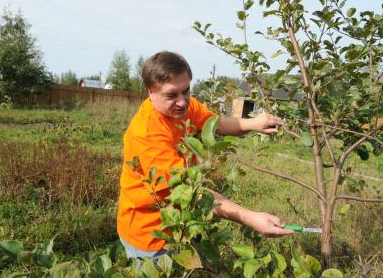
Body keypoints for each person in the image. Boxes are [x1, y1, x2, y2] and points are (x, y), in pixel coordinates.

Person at [117, 51, 293, 260]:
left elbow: (215, 123)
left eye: (186, 91)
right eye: (171, 95)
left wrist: (254, 123)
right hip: (149, 235)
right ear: (150, 92)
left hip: (181, 224)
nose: (182, 102)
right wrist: (250, 217)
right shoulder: (147, 134)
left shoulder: (184, 107)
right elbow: (191, 192)